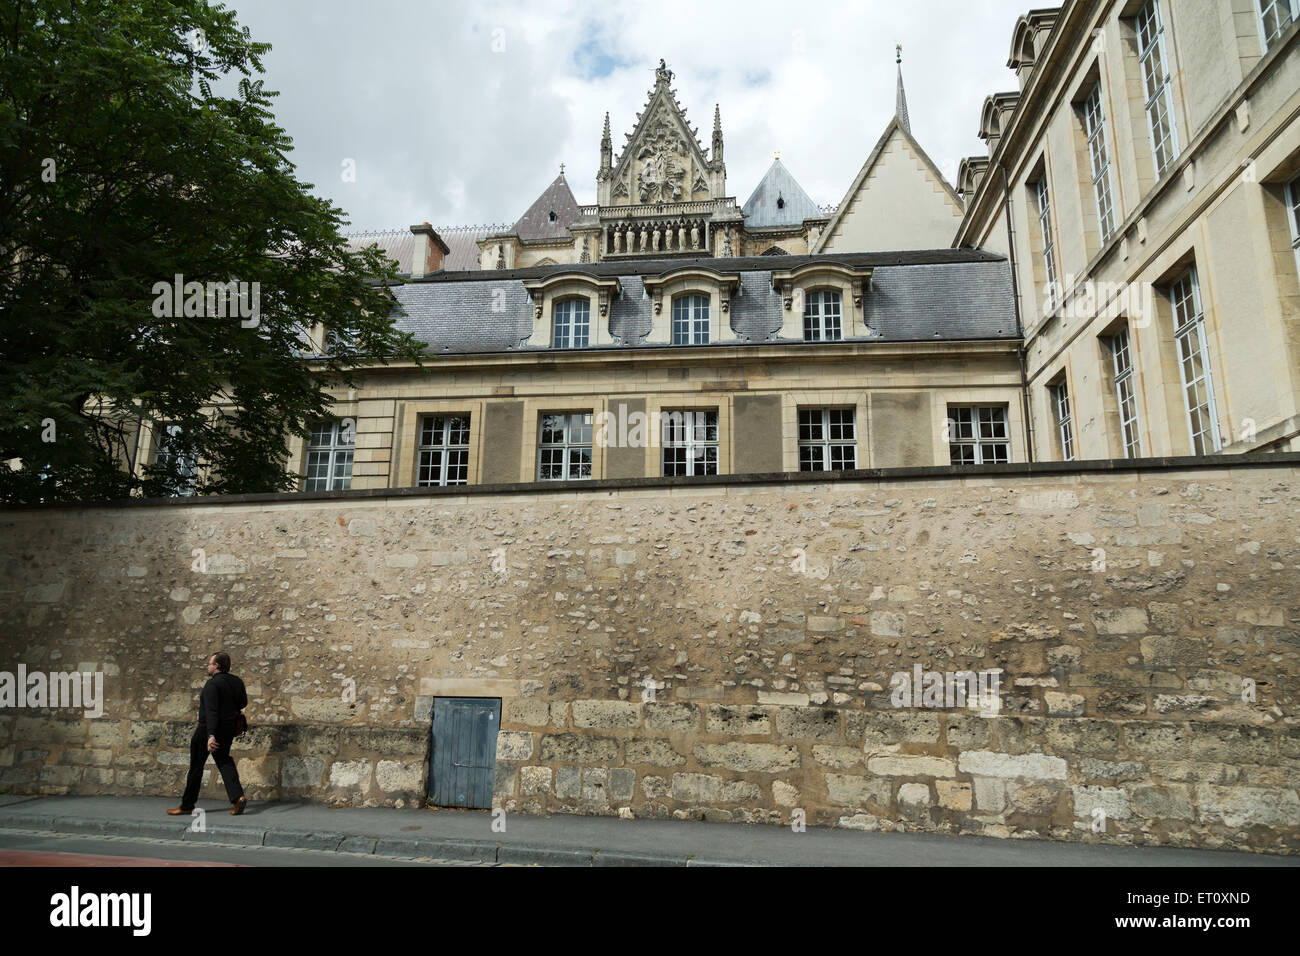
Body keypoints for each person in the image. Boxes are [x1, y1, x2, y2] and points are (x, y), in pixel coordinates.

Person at [166, 651, 248, 817]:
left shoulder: (212, 685)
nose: (208, 666)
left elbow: (211, 712)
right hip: (228, 729)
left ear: (217, 666)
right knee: (224, 761)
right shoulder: (237, 681)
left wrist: (210, 735)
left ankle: (187, 805)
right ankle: (238, 797)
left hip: (207, 730)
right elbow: (243, 702)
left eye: (210, 663)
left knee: (196, 766)